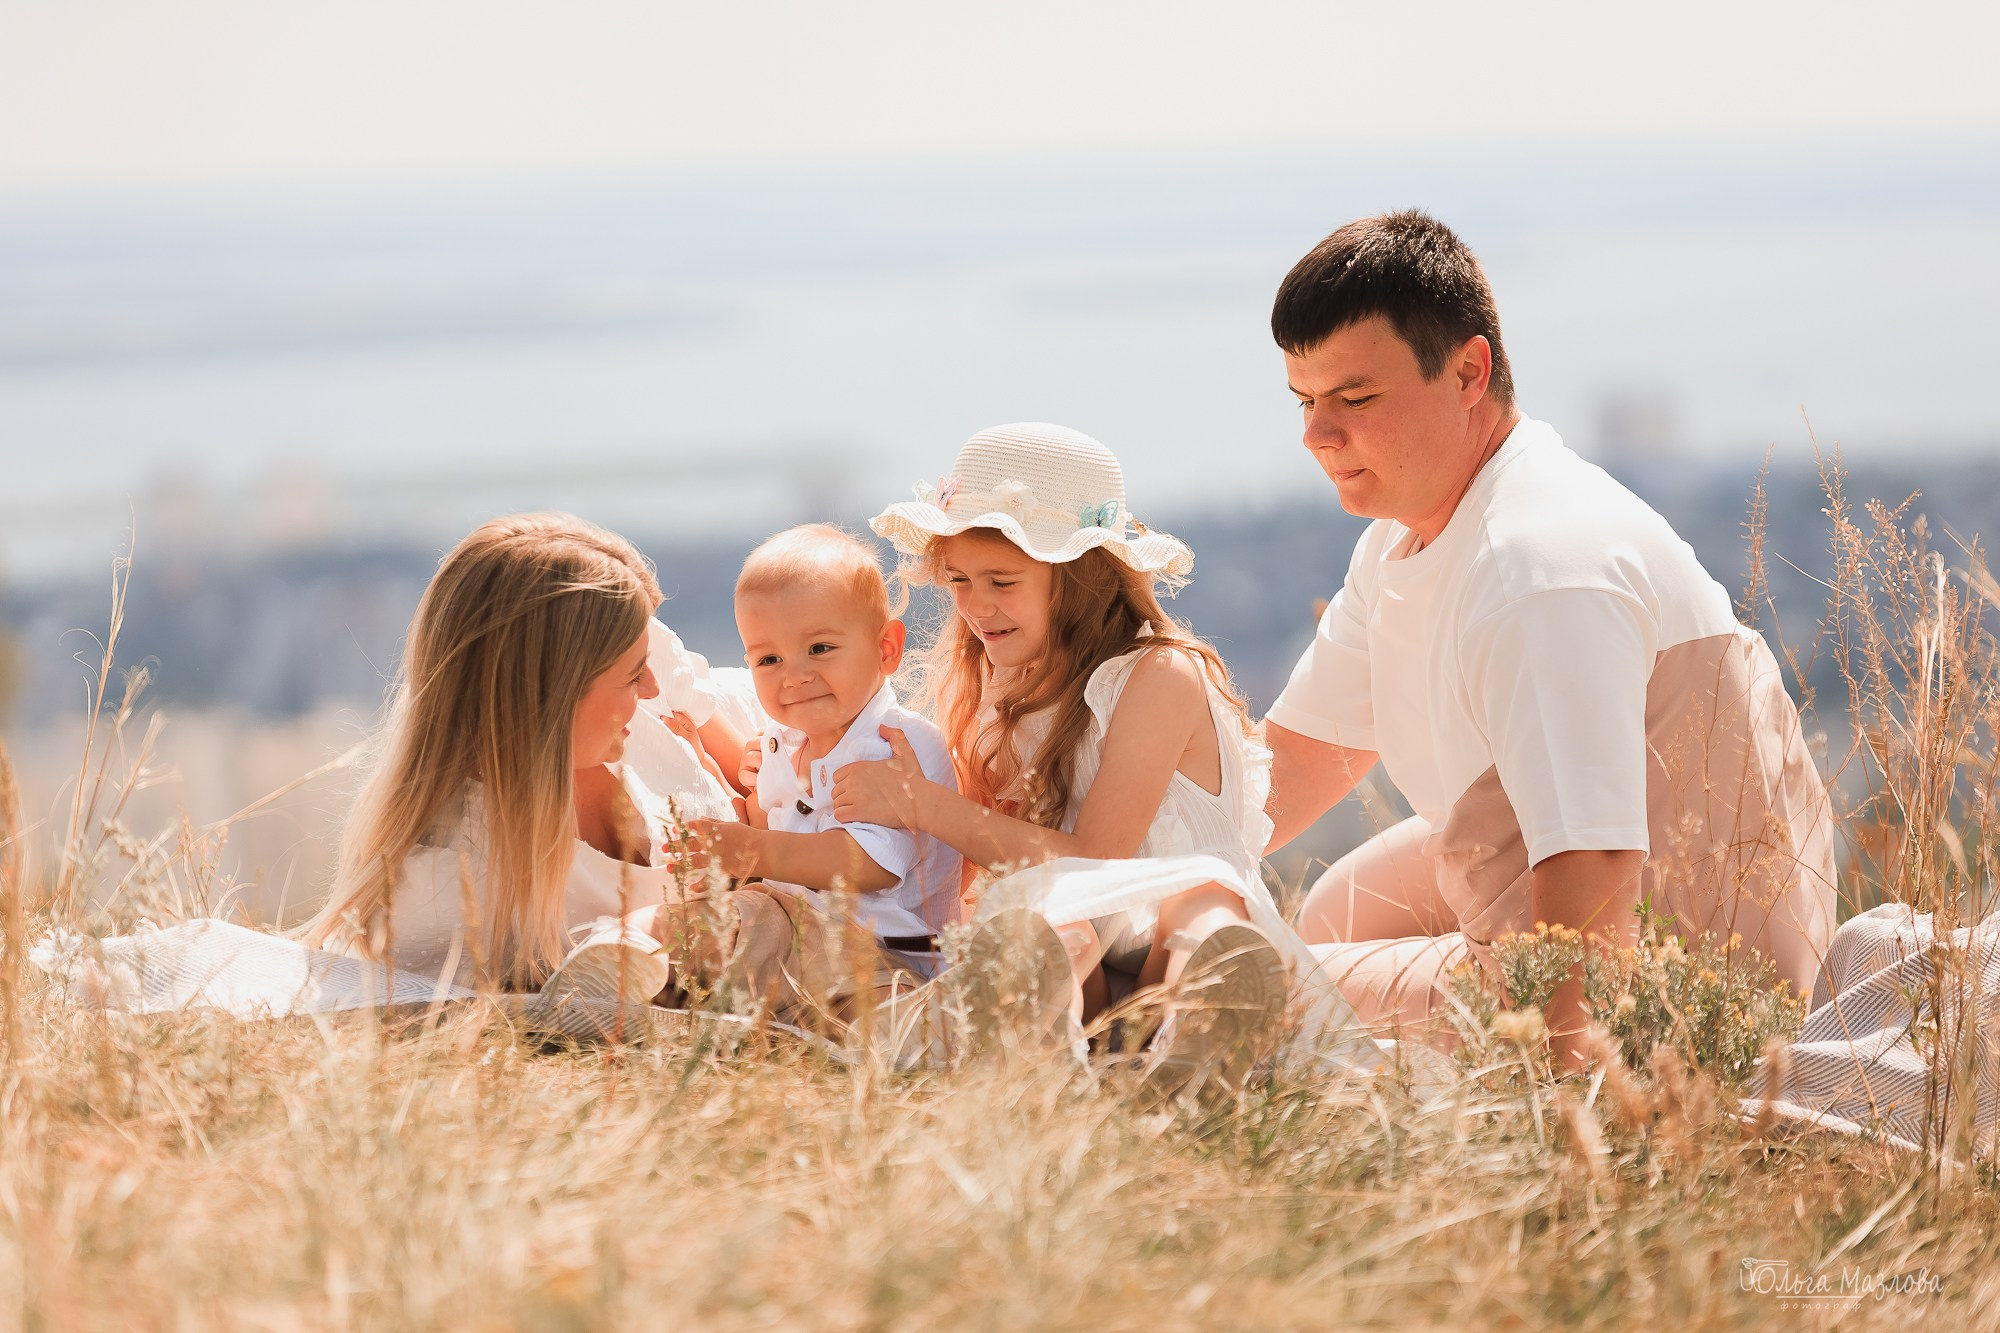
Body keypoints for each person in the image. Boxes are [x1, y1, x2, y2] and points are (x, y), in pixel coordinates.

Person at [1258, 211, 1836, 1067]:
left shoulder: (1536, 568)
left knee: (1276, 988)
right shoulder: (1405, 539)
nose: (1317, 434)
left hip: (1684, 994)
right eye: (1306, 401)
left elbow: (1594, 871)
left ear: (1468, 372)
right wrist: (1110, 863)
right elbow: (1288, 767)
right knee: (1332, 914)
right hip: (1566, 886)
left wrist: (1568, 1111)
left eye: (1356, 398)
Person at [836, 422, 1370, 1094]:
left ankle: (1209, 1018)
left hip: (1167, 950)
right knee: (1041, 916)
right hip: (1093, 974)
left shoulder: (1158, 675)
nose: (975, 605)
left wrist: (925, 806)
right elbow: (990, 856)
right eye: (960, 580)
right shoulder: (1002, 690)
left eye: (1002, 580)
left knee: (1200, 900)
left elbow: (1100, 860)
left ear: (1081, 578)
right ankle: (1048, 1043)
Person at [300, 512, 739, 992]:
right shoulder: (452, 881)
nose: (652, 687)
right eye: (634, 676)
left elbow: (763, 774)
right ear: (551, 694)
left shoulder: (642, 649)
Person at [674, 524, 963, 1008]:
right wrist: (715, 774)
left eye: (820, 649)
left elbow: (868, 866)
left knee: (873, 1009)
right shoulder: (780, 741)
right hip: (792, 928)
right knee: (707, 920)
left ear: (886, 649)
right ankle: (621, 964)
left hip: (883, 955)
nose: (795, 676)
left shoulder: (900, 744)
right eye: (769, 659)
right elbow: (773, 824)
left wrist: (753, 851)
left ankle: (908, 1027)